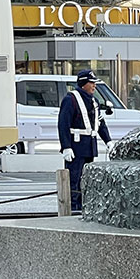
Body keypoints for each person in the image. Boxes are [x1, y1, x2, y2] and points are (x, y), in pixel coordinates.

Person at [58, 69, 111, 211]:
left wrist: (108, 141)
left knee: (85, 180)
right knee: (74, 180)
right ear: (83, 84)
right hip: (76, 147)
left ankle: (83, 207)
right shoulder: (71, 99)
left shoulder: (94, 101)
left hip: (89, 147)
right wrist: (66, 147)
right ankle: (74, 208)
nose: (94, 86)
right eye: (91, 83)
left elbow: (100, 123)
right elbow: (63, 124)